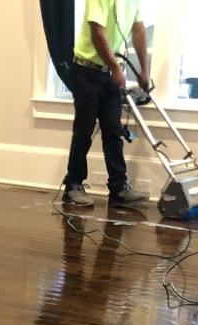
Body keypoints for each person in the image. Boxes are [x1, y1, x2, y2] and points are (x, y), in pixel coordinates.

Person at [63, 0, 151, 208]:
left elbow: (138, 30)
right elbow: (97, 32)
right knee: (84, 131)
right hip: (86, 71)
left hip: (109, 72)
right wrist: (115, 68)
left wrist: (144, 71)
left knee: (114, 130)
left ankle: (118, 188)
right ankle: (73, 185)